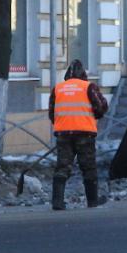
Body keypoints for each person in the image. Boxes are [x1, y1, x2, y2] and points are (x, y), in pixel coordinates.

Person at [48, 59, 109, 211]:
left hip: (63, 134)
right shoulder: (88, 87)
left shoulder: (58, 88)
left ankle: (57, 201)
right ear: (83, 74)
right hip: (84, 133)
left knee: (62, 166)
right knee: (88, 167)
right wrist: (94, 116)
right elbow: (101, 107)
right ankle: (92, 201)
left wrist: (63, 123)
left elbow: (52, 113)